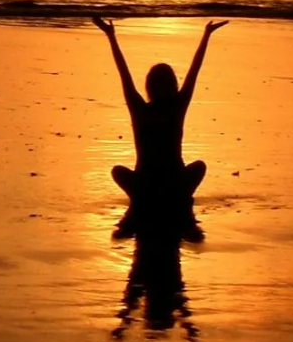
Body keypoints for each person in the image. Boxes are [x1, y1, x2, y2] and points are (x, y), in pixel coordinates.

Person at [92, 16, 226, 209]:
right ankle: (170, 197)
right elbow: (192, 72)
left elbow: (193, 71)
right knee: (198, 167)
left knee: (119, 172)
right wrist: (206, 35)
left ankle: (147, 198)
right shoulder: (173, 107)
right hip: (171, 183)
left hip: (149, 184)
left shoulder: (146, 109)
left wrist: (111, 36)